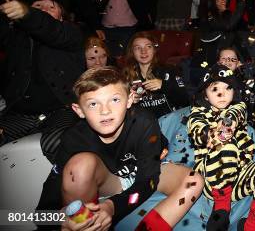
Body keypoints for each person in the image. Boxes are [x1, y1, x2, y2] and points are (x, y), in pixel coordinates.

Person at [36, 67, 204, 231]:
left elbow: (148, 181)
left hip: (147, 171)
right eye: (93, 104)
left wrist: (112, 206)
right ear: (79, 110)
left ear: (129, 100)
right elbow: (43, 209)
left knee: (193, 181)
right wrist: (59, 219)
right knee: (79, 166)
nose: (105, 111)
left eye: (115, 100)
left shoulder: (144, 122)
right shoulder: (74, 138)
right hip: (111, 180)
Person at [187, 64, 255, 231]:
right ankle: (221, 210)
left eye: (228, 88)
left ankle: (251, 225)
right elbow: (195, 129)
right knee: (225, 144)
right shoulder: (198, 112)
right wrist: (210, 133)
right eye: (215, 88)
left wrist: (227, 123)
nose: (222, 93)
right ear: (206, 95)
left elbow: (236, 113)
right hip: (211, 179)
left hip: (238, 177)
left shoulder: (237, 108)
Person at [0, 0, 83, 161]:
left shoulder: (71, 33)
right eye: (38, 5)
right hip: (22, 113)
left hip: (61, 110)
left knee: (56, 142)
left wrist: (30, 14)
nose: (43, 10)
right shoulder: (15, 36)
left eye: (51, 7)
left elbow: (51, 30)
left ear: (62, 16)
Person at [122, 32, 189, 118]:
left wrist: (164, 85)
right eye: (138, 48)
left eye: (148, 46)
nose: (143, 51)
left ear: (154, 49)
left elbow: (185, 100)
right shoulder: (126, 76)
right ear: (132, 52)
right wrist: (130, 102)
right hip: (143, 125)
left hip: (170, 123)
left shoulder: (169, 70)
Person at [198, 0, 247, 65]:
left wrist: (246, 59)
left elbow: (235, 37)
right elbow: (228, 25)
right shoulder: (208, 18)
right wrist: (241, 1)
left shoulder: (225, 16)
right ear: (212, 1)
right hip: (211, 63)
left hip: (225, 58)